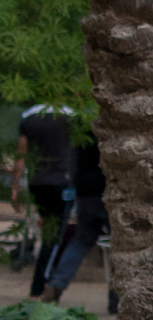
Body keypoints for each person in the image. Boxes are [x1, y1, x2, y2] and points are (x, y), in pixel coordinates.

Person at [39, 131, 109, 307]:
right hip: (109, 191)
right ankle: (116, 299)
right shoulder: (111, 130)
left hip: (86, 192)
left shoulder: (81, 130)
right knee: (120, 246)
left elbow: (73, 163)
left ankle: (56, 284)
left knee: (80, 241)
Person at [11, 104, 74, 297]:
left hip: (37, 182)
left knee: (48, 231)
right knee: (54, 238)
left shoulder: (28, 116)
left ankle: (40, 283)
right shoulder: (71, 116)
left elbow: (21, 153)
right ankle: (42, 284)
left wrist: (15, 187)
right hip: (62, 182)